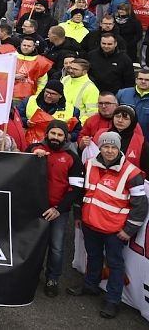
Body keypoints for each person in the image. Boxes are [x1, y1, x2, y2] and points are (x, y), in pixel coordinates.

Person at [69, 131, 149, 319]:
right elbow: (82, 193)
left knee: (115, 264)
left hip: (115, 230)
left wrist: (129, 230)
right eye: (106, 146)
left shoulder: (132, 173)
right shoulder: (89, 164)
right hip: (90, 225)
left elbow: (140, 206)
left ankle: (113, 300)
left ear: (119, 148)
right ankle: (91, 285)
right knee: (93, 256)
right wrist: (79, 216)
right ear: (100, 147)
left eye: (113, 147)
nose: (109, 150)